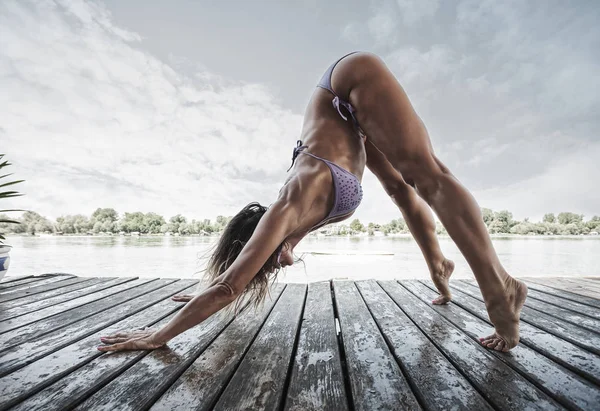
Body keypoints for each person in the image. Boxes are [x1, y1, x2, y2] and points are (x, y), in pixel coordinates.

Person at [98, 52, 527, 354]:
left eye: (270, 258)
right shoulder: (297, 223)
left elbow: (229, 286)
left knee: (425, 172)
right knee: (403, 187)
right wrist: (435, 263)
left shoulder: (289, 203)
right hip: (349, 122)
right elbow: (224, 279)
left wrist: (158, 336)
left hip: (347, 77)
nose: (284, 263)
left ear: (266, 235)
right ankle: (442, 267)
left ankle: (499, 288)